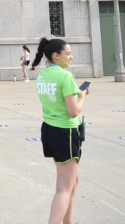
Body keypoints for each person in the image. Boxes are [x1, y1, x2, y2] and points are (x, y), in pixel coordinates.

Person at [32, 37, 88, 224]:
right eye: (68, 54)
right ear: (56, 56)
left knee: (73, 181)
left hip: (50, 129)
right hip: (65, 131)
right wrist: (82, 96)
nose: (71, 57)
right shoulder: (65, 77)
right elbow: (74, 111)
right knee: (63, 188)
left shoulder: (43, 75)